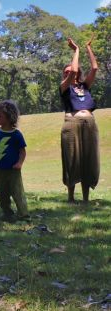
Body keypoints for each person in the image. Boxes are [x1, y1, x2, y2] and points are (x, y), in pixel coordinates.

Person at [60, 38, 100, 204]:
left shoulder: (85, 86)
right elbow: (74, 69)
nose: (70, 73)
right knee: (72, 159)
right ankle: (71, 197)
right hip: (71, 124)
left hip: (89, 123)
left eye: (71, 71)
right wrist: (76, 50)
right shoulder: (64, 87)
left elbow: (95, 68)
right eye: (67, 72)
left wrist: (88, 48)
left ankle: (85, 199)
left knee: (88, 159)